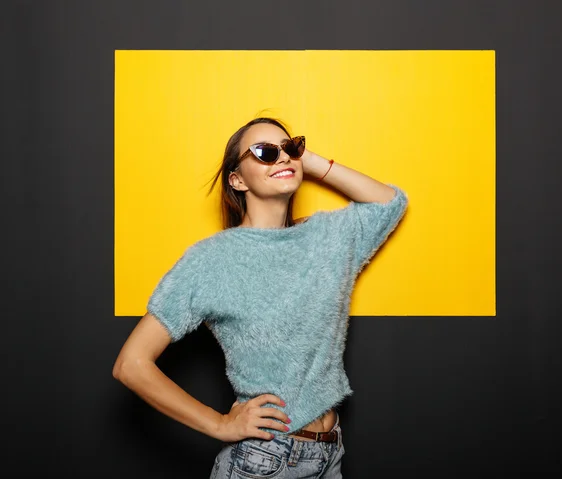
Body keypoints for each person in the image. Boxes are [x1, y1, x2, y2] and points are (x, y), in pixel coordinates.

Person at [112, 117, 409, 478]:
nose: (282, 158)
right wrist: (220, 424)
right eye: (265, 153)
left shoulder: (328, 237)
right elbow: (131, 364)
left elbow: (389, 203)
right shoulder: (212, 260)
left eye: (290, 148)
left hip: (330, 453)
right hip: (265, 460)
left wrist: (306, 161)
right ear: (237, 179)